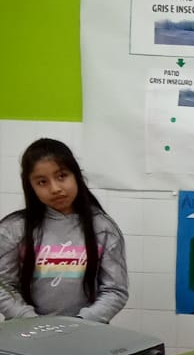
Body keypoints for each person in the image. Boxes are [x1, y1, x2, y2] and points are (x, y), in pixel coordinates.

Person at [0, 138, 128, 322]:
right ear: (31, 187)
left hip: (85, 331)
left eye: (62, 176)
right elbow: (3, 285)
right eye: (42, 182)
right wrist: (30, 321)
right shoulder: (13, 229)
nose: (55, 188)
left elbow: (115, 290)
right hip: (26, 331)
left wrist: (80, 324)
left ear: (76, 175)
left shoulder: (103, 228)